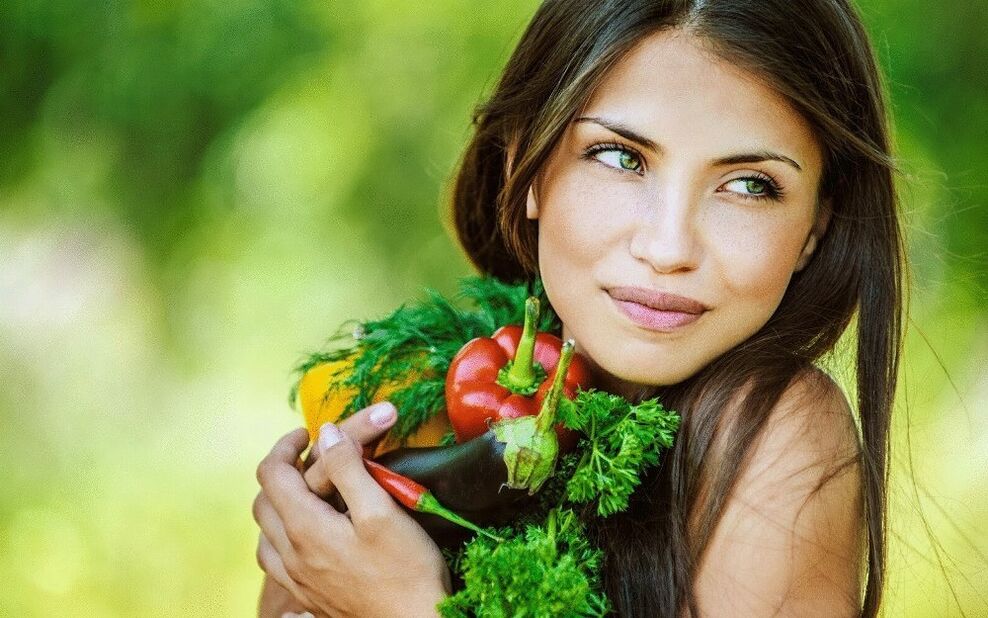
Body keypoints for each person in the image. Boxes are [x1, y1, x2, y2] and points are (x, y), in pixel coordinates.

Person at [252, 0, 903, 615]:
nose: (668, 247)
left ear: (815, 225)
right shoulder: (444, 390)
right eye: (621, 157)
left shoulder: (777, 426)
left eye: (748, 184)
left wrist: (405, 605)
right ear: (525, 170)